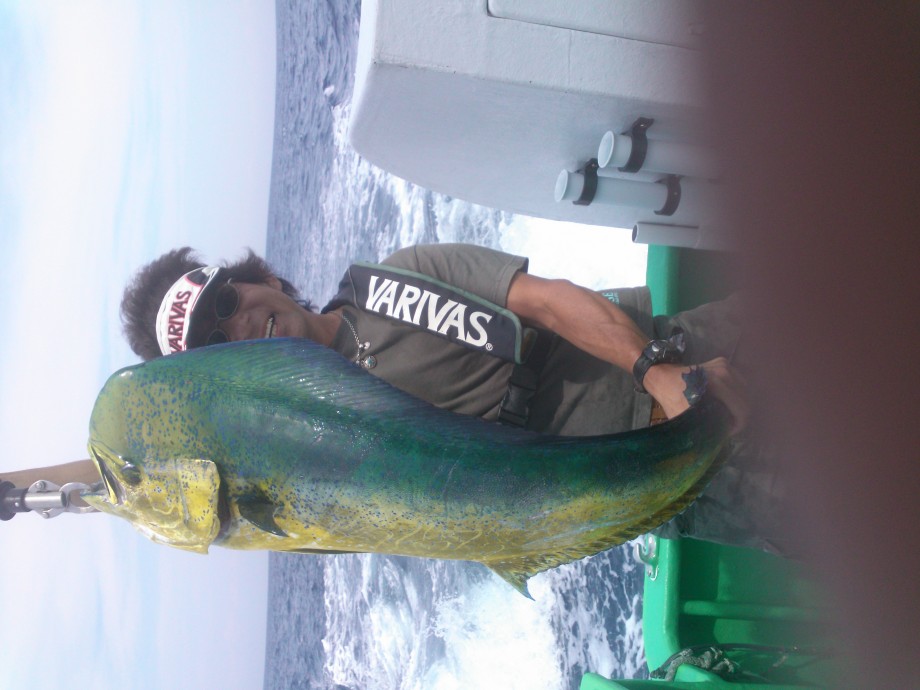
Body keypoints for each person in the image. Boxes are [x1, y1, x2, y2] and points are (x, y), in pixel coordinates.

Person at [7, 243, 791, 554]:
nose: (238, 324)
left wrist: (658, 373)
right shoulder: (305, 463)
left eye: (225, 301)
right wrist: (20, 489)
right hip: (663, 483)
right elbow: (126, 477)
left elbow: (550, 302)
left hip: (683, 362)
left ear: (259, 278)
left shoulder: (399, 280)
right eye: (213, 345)